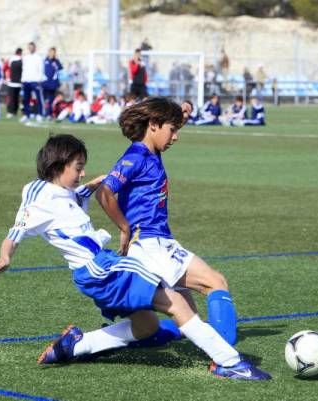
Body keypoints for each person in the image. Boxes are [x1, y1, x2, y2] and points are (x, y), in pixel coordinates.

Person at [0, 133, 271, 381]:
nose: (82, 173)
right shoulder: (37, 192)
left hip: (102, 268)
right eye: (78, 167)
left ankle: (75, 346)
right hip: (99, 269)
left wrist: (101, 181)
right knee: (177, 302)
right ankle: (230, 363)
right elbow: (16, 230)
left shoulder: (67, 191)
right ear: (58, 166)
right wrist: (5, 256)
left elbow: (80, 193)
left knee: (146, 326)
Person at [96, 97, 244, 350]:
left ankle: (107, 341)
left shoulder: (151, 150)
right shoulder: (136, 156)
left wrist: (180, 116)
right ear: (153, 125)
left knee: (189, 320)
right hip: (151, 243)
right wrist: (124, 227)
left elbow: (164, 130)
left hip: (156, 242)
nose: (175, 137)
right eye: (172, 130)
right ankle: (225, 359)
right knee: (215, 282)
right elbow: (104, 192)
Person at [20, 42, 45, 125]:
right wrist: (23, 79)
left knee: (38, 98)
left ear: (35, 48)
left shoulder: (38, 57)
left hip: (35, 81)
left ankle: (39, 114)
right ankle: (26, 115)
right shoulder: (25, 57)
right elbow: (24, 69)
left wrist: (39, 79)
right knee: (26, 99)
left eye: (32, 47)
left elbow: (41, 69)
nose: (31, 48)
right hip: (26, 80)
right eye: (29, 47)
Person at [43, 47, 64, 119]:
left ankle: (49, 113)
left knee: (51, 99)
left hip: (53, 84)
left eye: (54, 52)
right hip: (45, 83)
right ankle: (43, 113)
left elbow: (61, 68)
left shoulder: (56, 61)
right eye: (51, 52)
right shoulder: (44, 60)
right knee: (45, 99)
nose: (52, 54)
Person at [4, 48, 23, 118]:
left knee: (11, 98)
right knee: (16, 98)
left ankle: (10, 112)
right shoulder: (21, 60)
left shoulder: (10, 59)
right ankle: (13, 112)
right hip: (17, 82)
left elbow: (5, 69)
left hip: (12, 82)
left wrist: (6, 78)